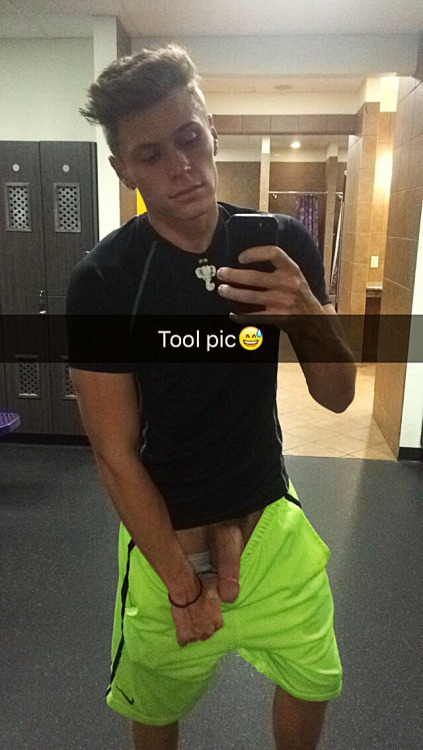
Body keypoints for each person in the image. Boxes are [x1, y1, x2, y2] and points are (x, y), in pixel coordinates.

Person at [66, 44, 356, 750]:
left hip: (269, 527)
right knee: (154, 706)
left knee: (314, 679)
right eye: (151, 154)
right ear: (124, 170)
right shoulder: (105, 281)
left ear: (212, 130)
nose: (180, 166)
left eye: (189, 138)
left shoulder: (279, 245)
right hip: (170, 541)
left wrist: (307, 315)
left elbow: (338, 397)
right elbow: (113, 454)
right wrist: (180, 584)